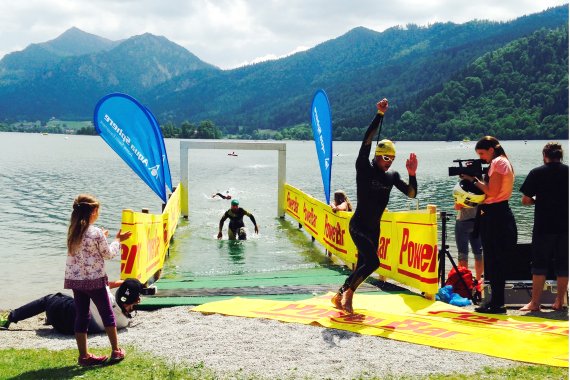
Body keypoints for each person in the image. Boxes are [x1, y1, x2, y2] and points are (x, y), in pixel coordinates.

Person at [331, 98, 418, 314]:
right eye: (385, 157)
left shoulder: (392, 176)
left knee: (364, 265)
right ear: (377, 156)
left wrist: (413, 174)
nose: (389, 161)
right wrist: (379, 114)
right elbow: (366, 140)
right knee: (373, 262)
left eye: (392, 158)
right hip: (358, 225)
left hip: (374, 229)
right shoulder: (364, 168)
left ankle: (340, 295)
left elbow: (411, 193)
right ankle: (348, 295)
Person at [64, 194, 131, 366]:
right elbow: (108, 254)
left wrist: (103, 236)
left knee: (82, 315)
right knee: (107, 313)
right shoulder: (96, 233)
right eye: (98, 210)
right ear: (93, 211)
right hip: (95, 280)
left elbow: (84, 249)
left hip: (76, 281)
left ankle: (84, 355)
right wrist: (117, 240)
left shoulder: (73, 230)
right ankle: (116, 350)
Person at [462, 136, 517, 314]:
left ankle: (497, 303)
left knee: (494, 260)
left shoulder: (499, 163)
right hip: (497, 213)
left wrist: (472, 180)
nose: (482, 157)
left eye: (482, 153)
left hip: (496, 215)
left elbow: (491, 191)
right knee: (494, 260)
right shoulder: (503, 162)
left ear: (491, 150)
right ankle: (495, 301)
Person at [519, 142, 568, 312]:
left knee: (539, 265)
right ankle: (559, 302)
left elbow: (525, 200)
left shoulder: (537, 173)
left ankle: (535, 303)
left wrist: (537, 201)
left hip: (543, 226)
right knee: (563, 266)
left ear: (544, 155)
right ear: (560, 156)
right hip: (565, 226)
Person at [0, 279, 143, 334]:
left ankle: (11, 317)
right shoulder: (122, 323)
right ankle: (48, 320)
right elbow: (123, 305)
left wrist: (120, 282)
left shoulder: (104, 295)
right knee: (79, 307)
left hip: (57, 312)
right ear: (134, 302)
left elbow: (103, 284)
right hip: (64, 329)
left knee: (51, 298)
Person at [454, 204, 483, 283]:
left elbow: (457, 207)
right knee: (478, 254)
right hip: (478, 221)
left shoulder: (461, 191)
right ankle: (478, 282)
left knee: (462, 254)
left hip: (463, 221)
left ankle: (464, 283)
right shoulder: (482, 191)